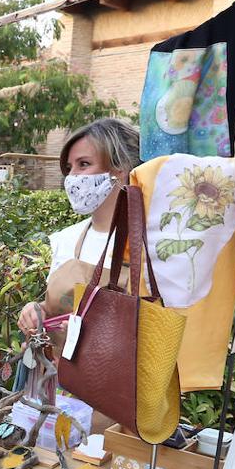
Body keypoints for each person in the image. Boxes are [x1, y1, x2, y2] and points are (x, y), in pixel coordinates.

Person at [17, 118, 141, 336]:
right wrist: (36, 311)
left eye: (83, 164)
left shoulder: (148, 242)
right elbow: (53, 310)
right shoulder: (65, 239)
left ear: (120, 168)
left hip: (120, 369)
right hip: (57, 368)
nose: (72, 176)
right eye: (68, 167)